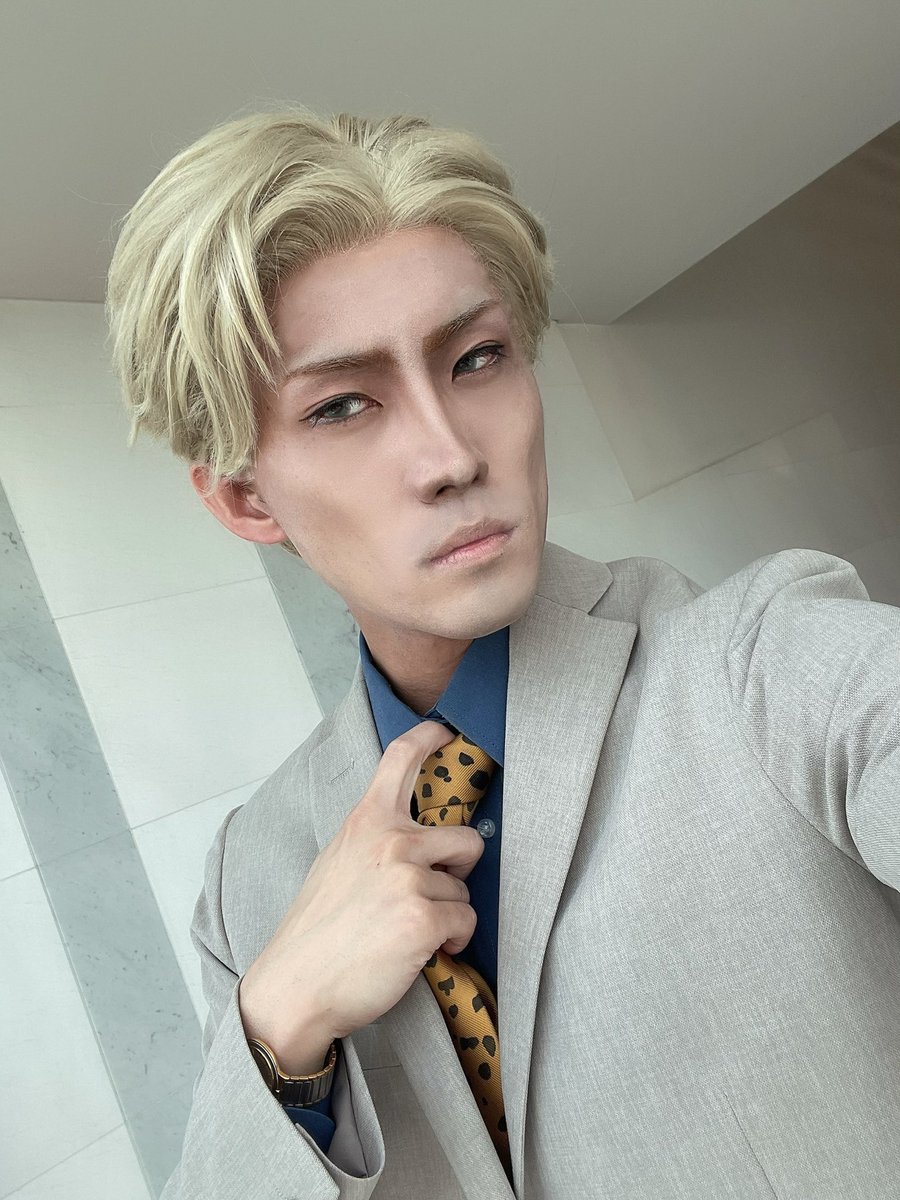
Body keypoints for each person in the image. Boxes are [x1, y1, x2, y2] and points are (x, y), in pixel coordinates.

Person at [106, 106, 900, 1200]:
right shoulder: (249, 881)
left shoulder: (761, 657)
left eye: (476, 358)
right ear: (247, 499)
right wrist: (283, 1027)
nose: (450, 454)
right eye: (343, 405)